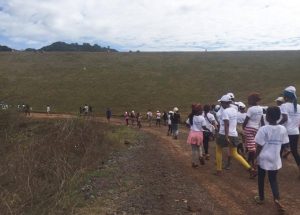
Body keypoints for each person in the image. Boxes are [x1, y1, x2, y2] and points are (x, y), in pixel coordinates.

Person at [254, 106, 288, 212]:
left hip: (263, 157)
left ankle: (261, 198)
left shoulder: (263, 129)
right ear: (278, 116)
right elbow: (284, 144)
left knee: (261, 178)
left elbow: (259, 146)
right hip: (275, 158)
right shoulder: (282, 129)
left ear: (267, 117)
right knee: (273, 179)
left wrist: (255, 157)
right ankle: (277, 199)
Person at [215, 94, 256, 177]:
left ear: (224, 103)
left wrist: (226, 136)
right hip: (234, 134)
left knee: (218, 151)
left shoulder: (224, 112)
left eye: (221, 103)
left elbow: (226, 124)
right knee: (235, 154)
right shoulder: (234, 110)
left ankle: (218, 170)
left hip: (224, 134)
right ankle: (250, 169)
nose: (221, 104)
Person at [279, 86, 300, 178]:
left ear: (286, 96)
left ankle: (274, 170)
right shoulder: (299, 107)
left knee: (279, 149)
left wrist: (275, 124)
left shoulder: (284, 106)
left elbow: (285, 118)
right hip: (295, 132)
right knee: (295, 151)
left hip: (284, 132)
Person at [243, 93, 264, 167]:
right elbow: (262, 121)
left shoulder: (250, 109)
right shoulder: (260, 108)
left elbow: (246, 120)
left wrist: (243, 127)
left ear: (253, 100)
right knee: (252, 145)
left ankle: (253, 164)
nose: (248, 101)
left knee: (251, 148)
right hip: (256, 129)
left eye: (249, 100)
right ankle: (249, 161)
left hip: (249, 129)